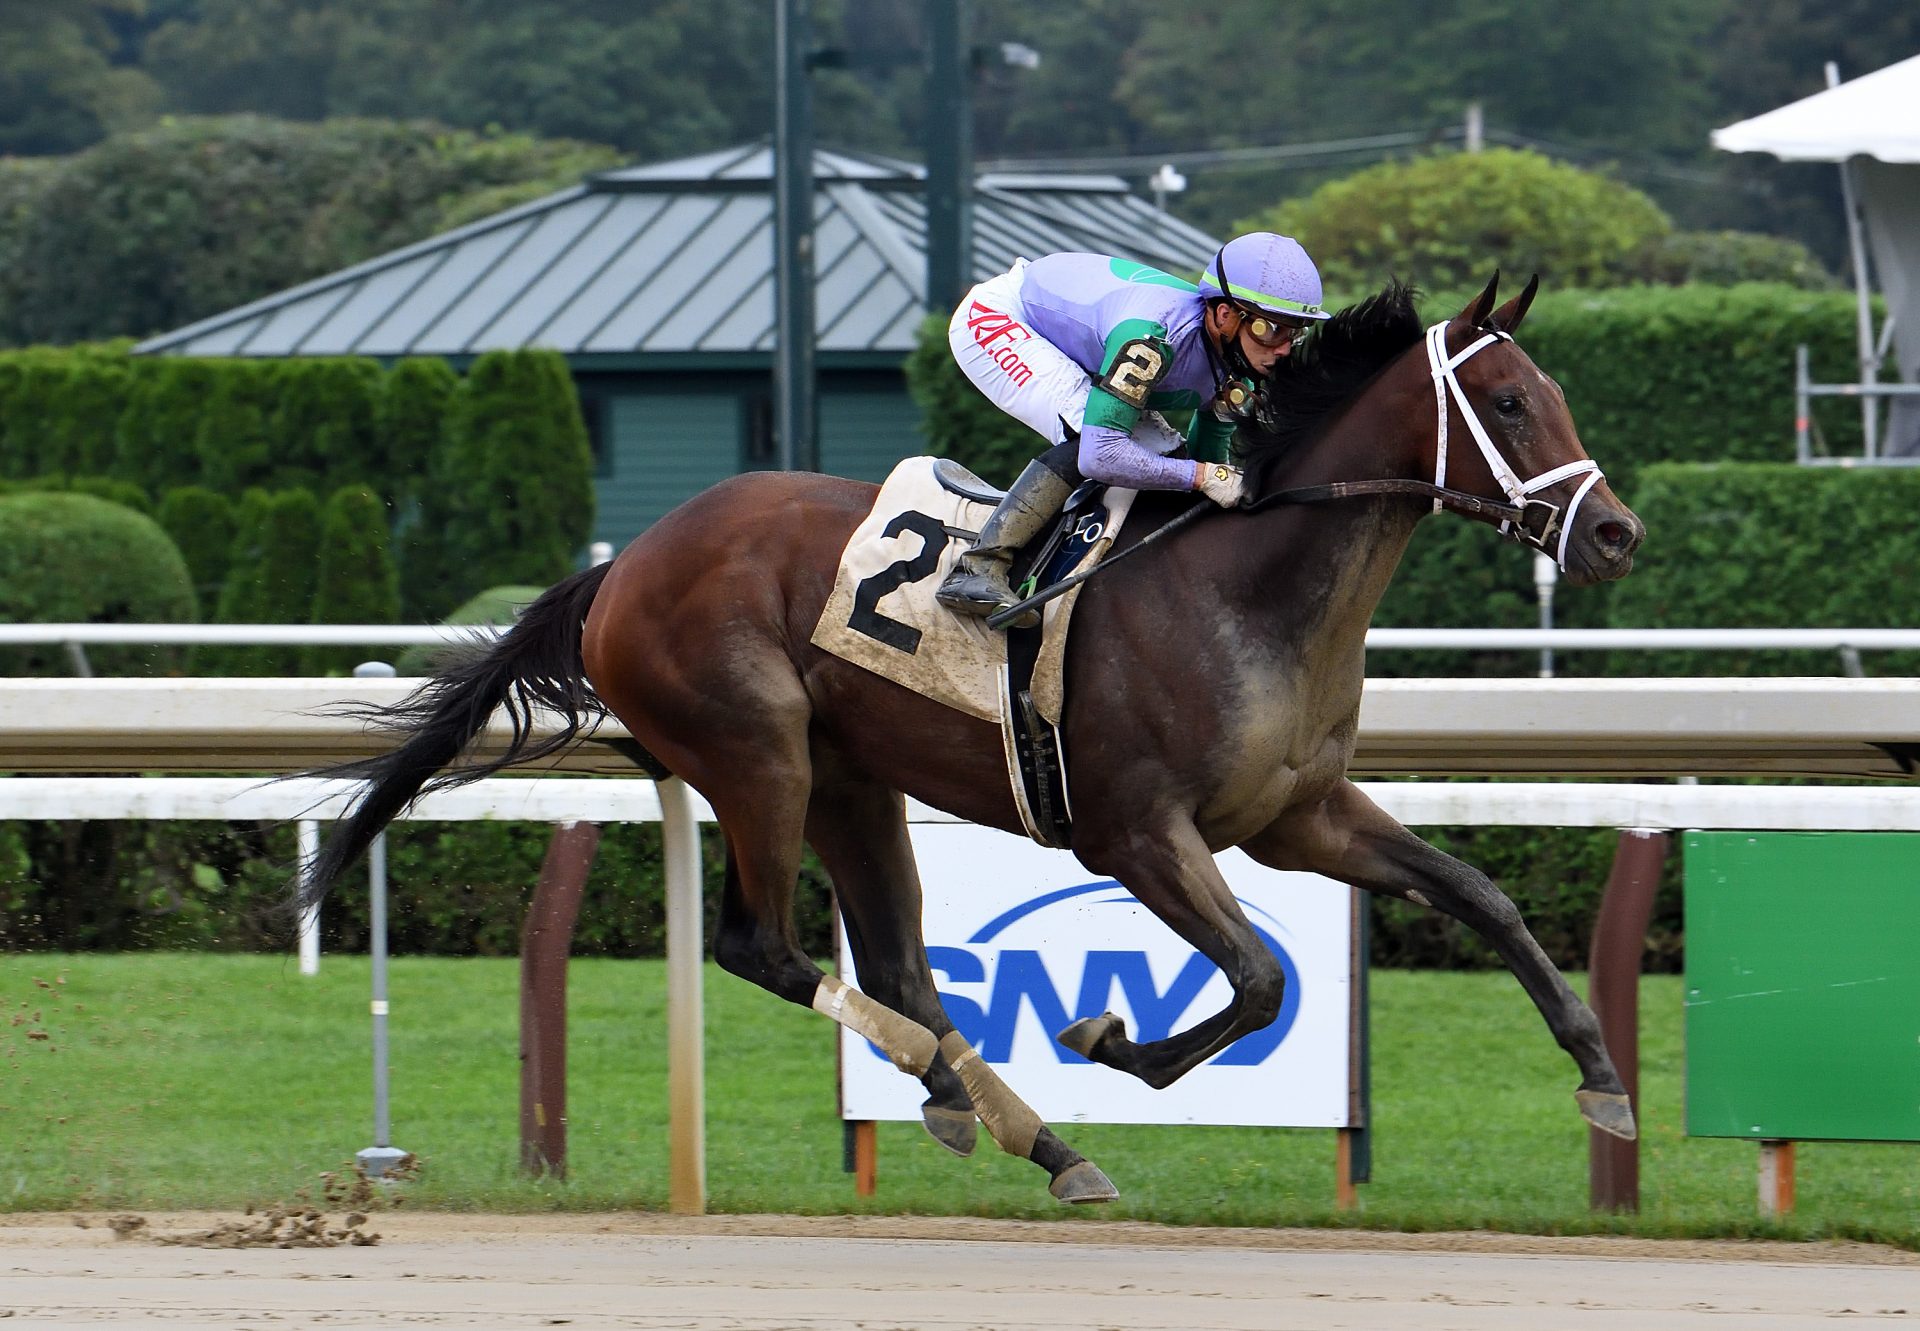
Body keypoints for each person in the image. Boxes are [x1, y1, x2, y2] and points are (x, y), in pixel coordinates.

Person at [935, 231, 1331, 628]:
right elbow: (1100, 455)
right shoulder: (1152, 339)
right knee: (1087, 432)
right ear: (1225, 315)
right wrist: (1204, 476)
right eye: (1270, 328)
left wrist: (1208, 479)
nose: (1283, 348)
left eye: (1295, 331)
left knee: (1168, 458)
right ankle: (978, 567)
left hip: (1073, 326)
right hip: (1000, 316)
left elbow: (1202, 462)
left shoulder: (1238, 360)